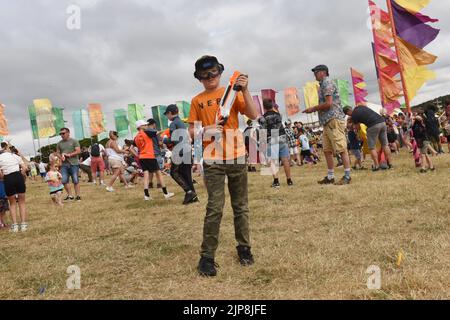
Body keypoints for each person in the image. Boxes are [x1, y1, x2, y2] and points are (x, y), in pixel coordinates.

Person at [188, 55, 258, 277]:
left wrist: (245, 90)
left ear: (220, 72)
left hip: (237, 155)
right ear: (199, 78)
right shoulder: (196, 101)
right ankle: (207, 257)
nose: (210, 78)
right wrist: (205, 130)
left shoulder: (232, 93)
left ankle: (244, 249)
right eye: (205, 75)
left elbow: (253, 114)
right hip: (212, 159)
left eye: (214, 73)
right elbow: (191, 131)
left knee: (241, 206)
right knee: (214, 208)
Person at [304, 65, 352, 185]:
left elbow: (329, 103)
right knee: (327, 150)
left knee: (341, 149)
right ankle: (330, 176)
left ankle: (347, 176)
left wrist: (313, 108)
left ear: (323, 72)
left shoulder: (327, 83)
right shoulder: (322, 85)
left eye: (316, 71)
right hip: (327, 121)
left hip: (334, 119)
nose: (314, 74)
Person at [163, 105, 197, 205]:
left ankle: (189, 192)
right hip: (187, 149)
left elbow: (175, 139)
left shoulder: (173, 123)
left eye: (166, 114)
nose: (166, 116)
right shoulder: (181, 122)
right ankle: (193, 197)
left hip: (180, 150)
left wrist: (165, 140)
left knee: (174, 173)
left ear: (170, 113)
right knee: (186, 174)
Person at [343, 105, 393, 171]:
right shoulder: (360, 106)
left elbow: (358, 127)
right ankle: (390, 164)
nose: (349, 115)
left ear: (348, 111)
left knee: (372, 147)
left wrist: (357, 132)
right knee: (385, 145)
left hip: (372, 126)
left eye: (347, 114)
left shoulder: (354, 116)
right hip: (382, 122)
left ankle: (376, 166)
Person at [134, 121, 174, 201]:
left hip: (142, 157)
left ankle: (146, 195)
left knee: (146, 176)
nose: (146, 126)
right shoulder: (147, 133)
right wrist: (167, 129)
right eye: (144, 125)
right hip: (150, 156)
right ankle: (166, 193)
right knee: (159, 174)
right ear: (140, 126)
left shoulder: (136, 136)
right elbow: (158, 132)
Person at [259, 99, 293, 188]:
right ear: (272, 106)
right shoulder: (278, 115)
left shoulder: (263, 118)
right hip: (282, 137)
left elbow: (263, 131)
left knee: (273, 162)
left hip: (272, 138)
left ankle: (276, 181)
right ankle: (289, 180)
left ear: (264, 107)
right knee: (285, 160)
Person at [0, 144, 27, 232]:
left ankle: (15, 225)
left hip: (8, 178)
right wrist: (21, 174)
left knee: (12, 203)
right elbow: (24, 167)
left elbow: (1, 174)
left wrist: (3, 177)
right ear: (7, 148)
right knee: (22, 202)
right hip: (18, 176)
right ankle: (23, 224)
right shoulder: (15, 156)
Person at [56, 128, 81, 201]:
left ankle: (78, 196)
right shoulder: (59, 143)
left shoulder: (74, 141)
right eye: (60, 134)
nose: (61, 135)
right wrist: (61, 157)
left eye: (63, 133)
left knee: (75, 180)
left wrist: (69, 155)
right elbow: (57, 152)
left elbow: (78, 151)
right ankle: (70, 195)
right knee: (64, 180)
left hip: (74, 164)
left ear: (68, 133)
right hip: (64, 165)